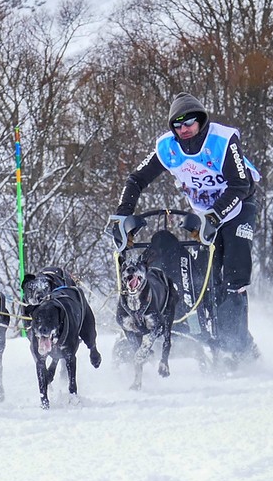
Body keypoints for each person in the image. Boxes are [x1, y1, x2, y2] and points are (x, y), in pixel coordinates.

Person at [111, 92, 260, 368]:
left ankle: (236, 344)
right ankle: (192, 329)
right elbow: (136, 179)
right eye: (178, 124)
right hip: (205, 212)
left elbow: (243, 185)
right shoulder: (168, 148)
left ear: (201, 120)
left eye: (190, 122)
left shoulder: (223, 140)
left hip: (238, 206)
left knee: (233, 275)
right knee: (203, 274)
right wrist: (122, 215)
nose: (184, 128)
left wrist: (216, 216)